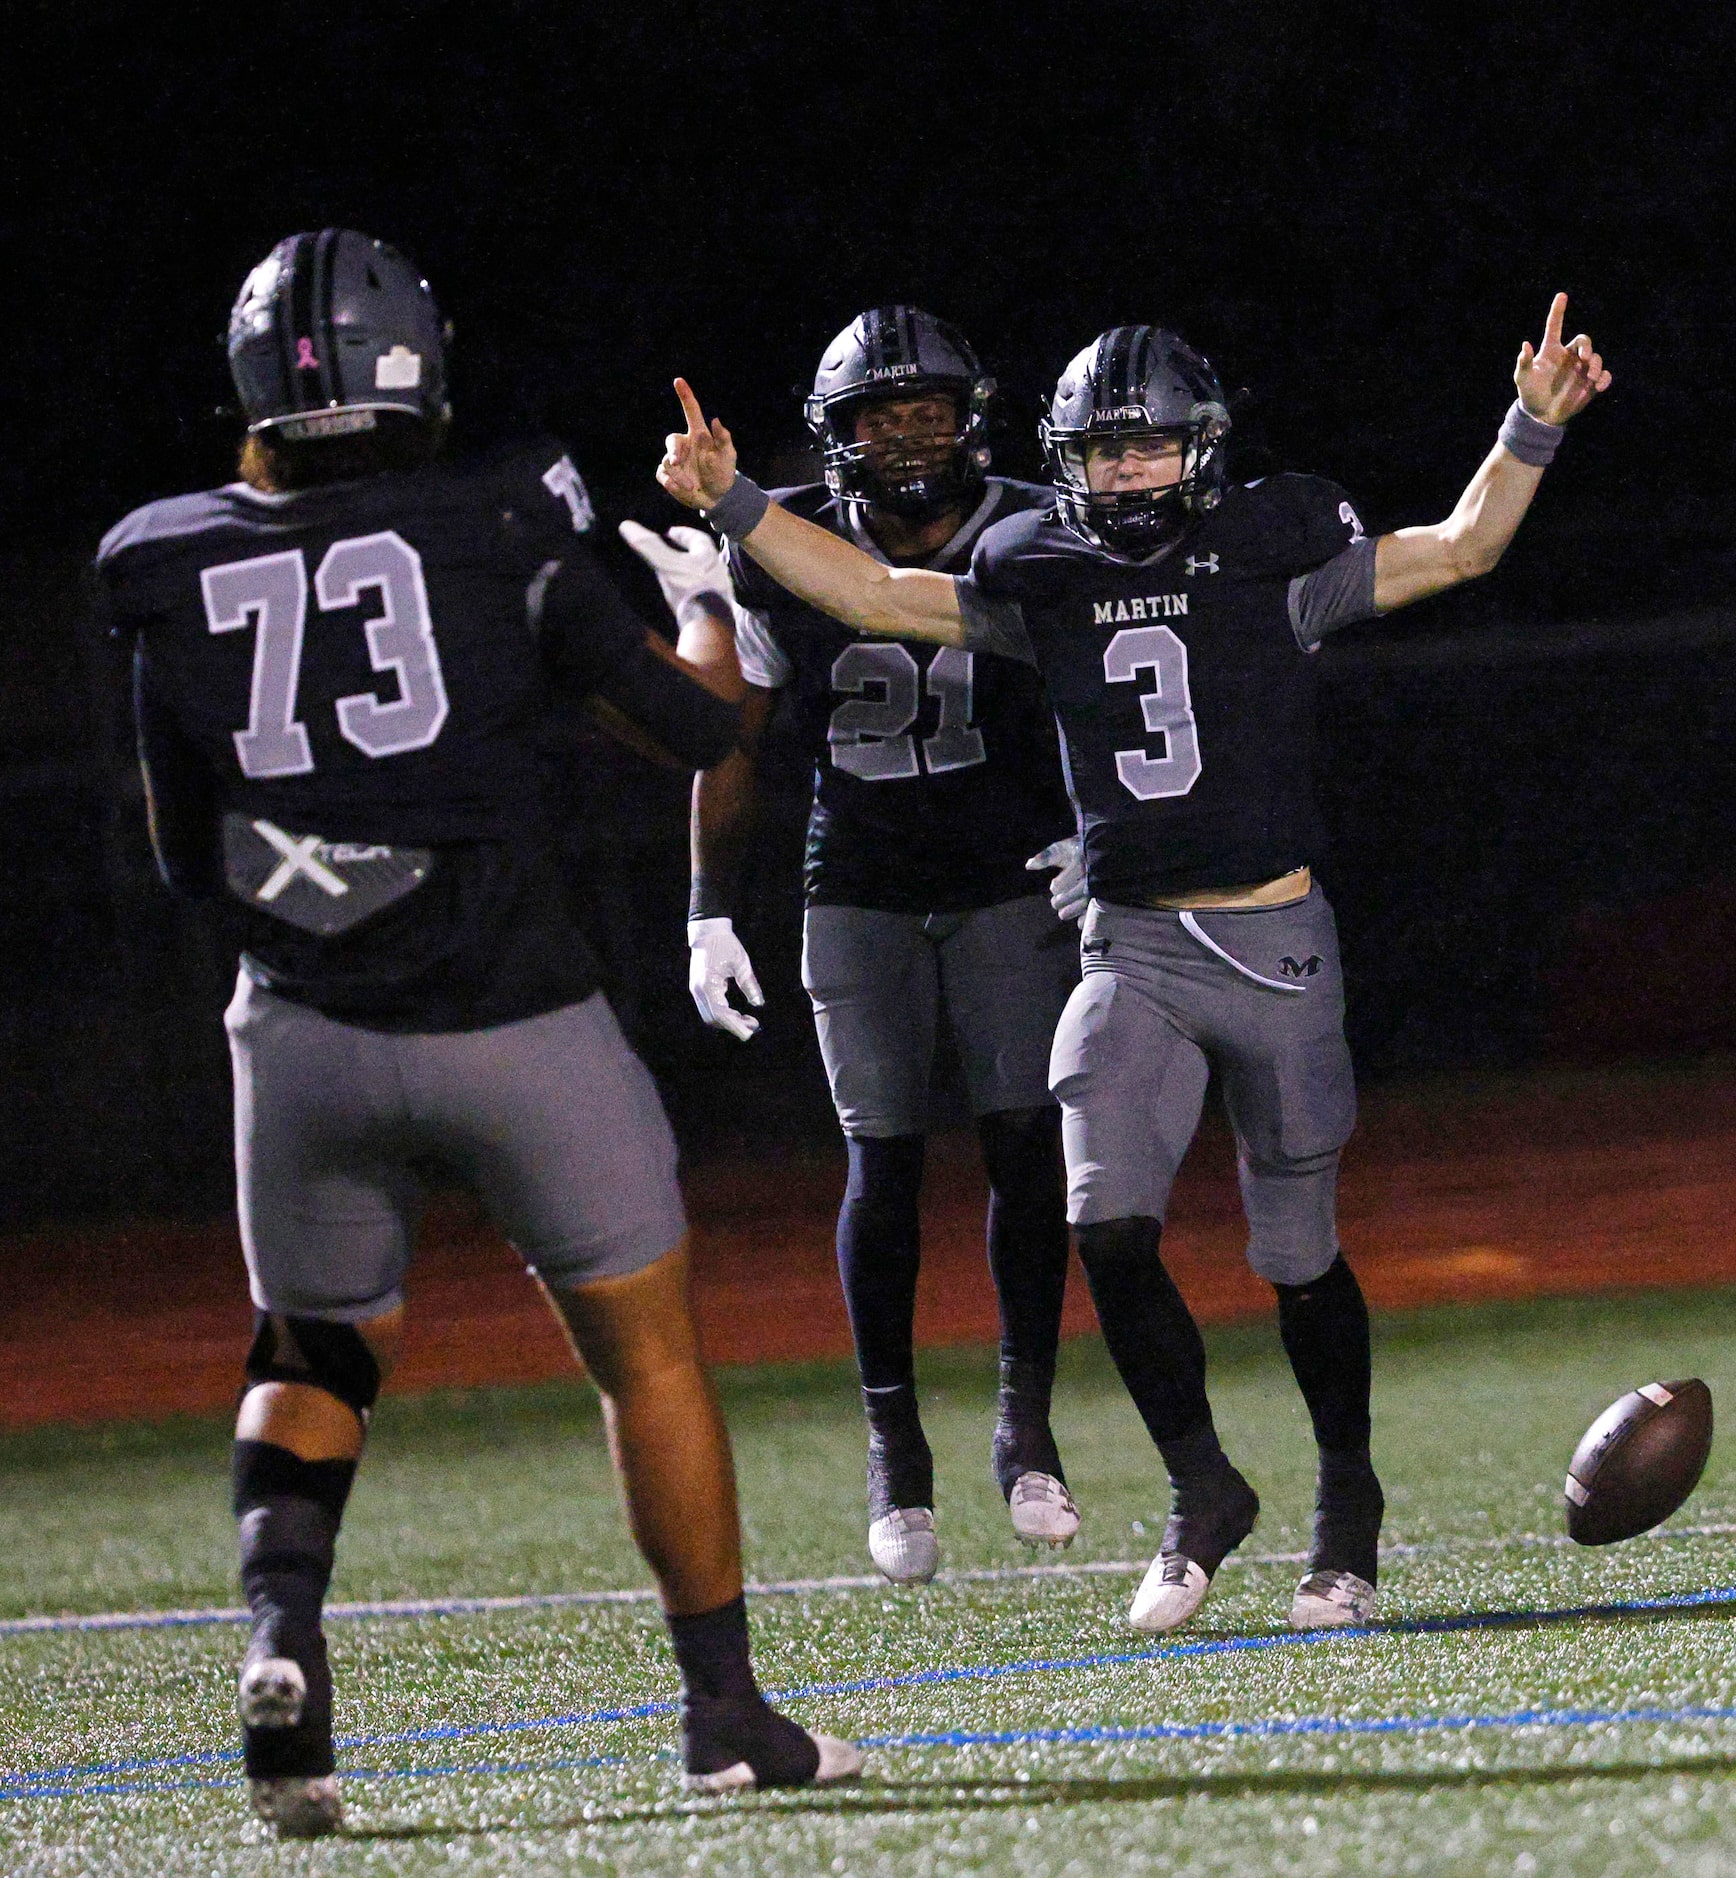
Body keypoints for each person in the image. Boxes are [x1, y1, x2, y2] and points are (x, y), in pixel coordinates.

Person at [653, 295, 1609, 1633]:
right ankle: (1201, 1489)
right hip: (1132, 944)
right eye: (1100, 452)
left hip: (1273, 942)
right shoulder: (1042, 567)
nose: (1124, 473)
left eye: (1147, 449)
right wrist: (741, 505)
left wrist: (1530, 427)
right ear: (1064, 459)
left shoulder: (1272, 544)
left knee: (1296, 1257)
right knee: (1098, 1216)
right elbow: (870, 592)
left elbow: (1458, 550)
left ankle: (1346, 1499)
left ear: (1201, 450)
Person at [92, 230, 861, 1838]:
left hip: (299, 1030)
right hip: (517, 1018)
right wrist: (713, 603)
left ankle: (283, 1647)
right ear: (416, 366)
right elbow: (699, 728)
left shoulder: (155, 559)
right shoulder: (497, 520)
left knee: (309, 1353)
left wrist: (331, 902)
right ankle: (723, 1713)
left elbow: (185, 849)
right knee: (644, 1350)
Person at [622, 306, 1079, 1586]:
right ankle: (895, 1455)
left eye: (929, 410)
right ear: (842, 435)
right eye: (885, 416)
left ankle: (1025, 1428)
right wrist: (708, 905)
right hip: (862, 886)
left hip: (1008, 877)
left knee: (1023, 1146)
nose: (912, 435)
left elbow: (1114, 677)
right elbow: (732, 737)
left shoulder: (1035, 527)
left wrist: (1111, 834)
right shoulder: (785, 545)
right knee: (881, 1165)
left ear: (970, 415)